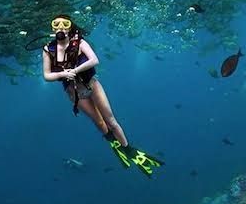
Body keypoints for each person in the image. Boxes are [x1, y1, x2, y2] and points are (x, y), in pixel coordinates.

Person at [42, 14, 163, 178]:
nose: (61, 27)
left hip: (92, 83)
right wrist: (63, 74)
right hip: (74, 91)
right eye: (57, 24)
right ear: (53, 27)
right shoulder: (48, 49)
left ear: (70, 26)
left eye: (65, 23)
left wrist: (75, 71)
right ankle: (113, 142)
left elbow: (94, 60)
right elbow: (47, 75)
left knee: (110, 120)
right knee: (98, 121)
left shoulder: (79, 42)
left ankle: (128, 149)